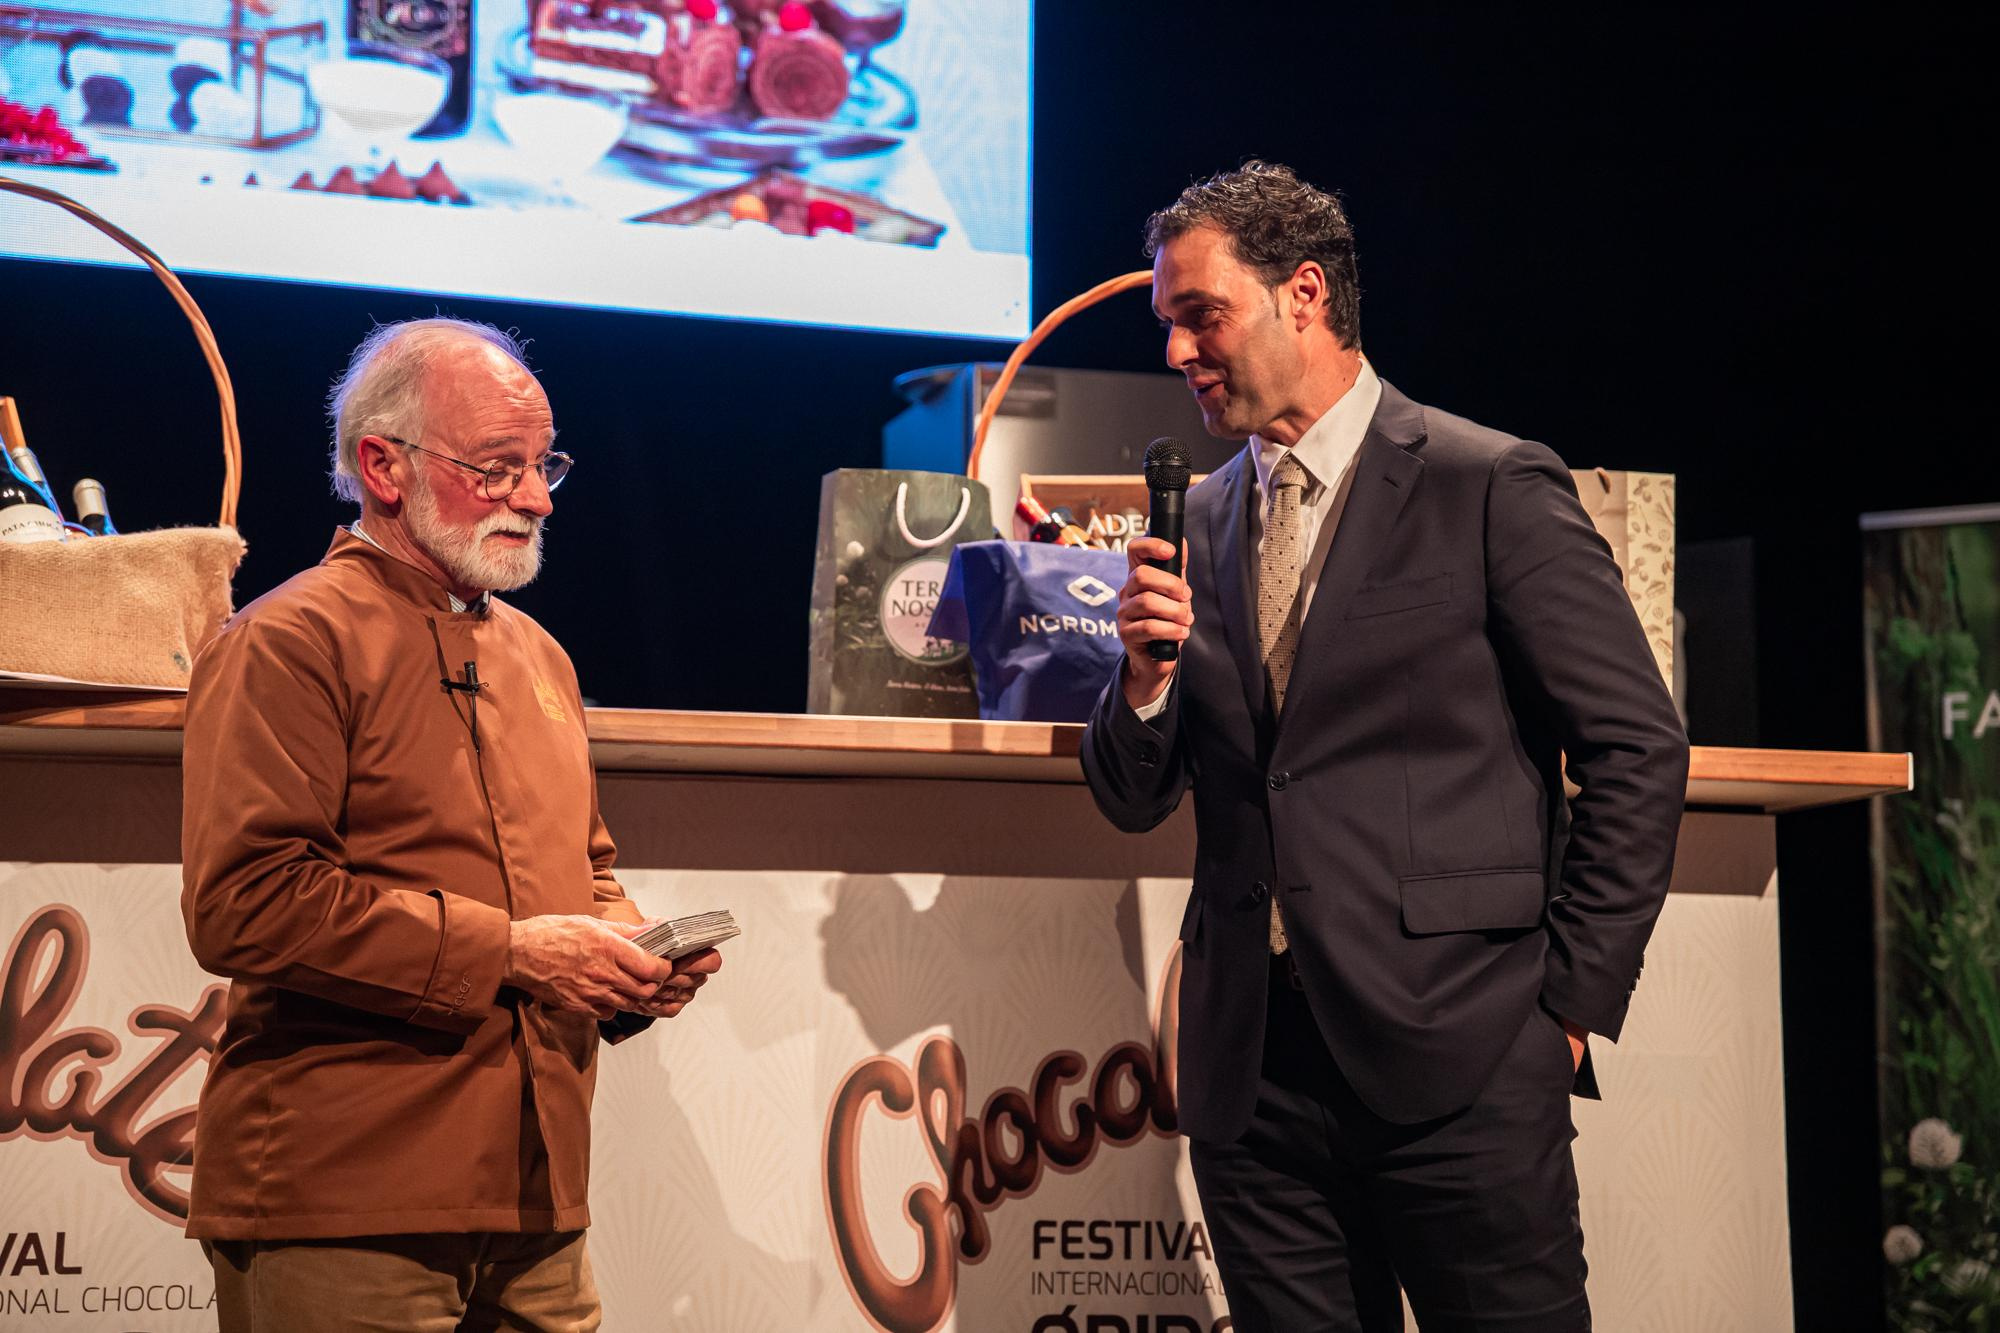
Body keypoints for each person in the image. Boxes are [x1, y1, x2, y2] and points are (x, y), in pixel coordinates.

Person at [1081, 163, 1689, 1332]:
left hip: (1461, 1062)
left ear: (1301, 293)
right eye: (1167, 325)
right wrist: (1145, 678)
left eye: (1198, 315)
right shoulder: (1197, 517)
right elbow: (1129, 795)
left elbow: (1634, 745)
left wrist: (1561, 1008)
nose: (1174, 352)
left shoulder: (1487, 483)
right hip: (1251, 1079)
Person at [180, 317, 720, 1331]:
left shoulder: (538, 655)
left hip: (538, 1198)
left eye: (542, 463)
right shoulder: (289, 640)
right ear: (383, 465)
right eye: (498, 466)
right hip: (346, 1196)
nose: (537, 495)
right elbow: (247, 905)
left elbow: (585, 867)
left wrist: (629, 954)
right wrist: (514, 952)